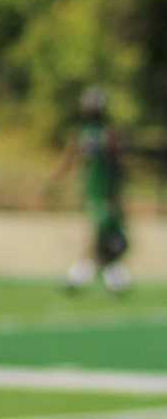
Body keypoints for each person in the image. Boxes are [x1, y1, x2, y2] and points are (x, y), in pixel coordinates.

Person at [54, 87, 132, 292]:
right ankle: (110, 276)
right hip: (93, 191)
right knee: (99, 235)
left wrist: (116, 193)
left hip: (104, 192)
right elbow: (70, 159)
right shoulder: (84, 133)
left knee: (101, 235)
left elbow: (118, 165)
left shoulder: (107, 134)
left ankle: (86, 274)